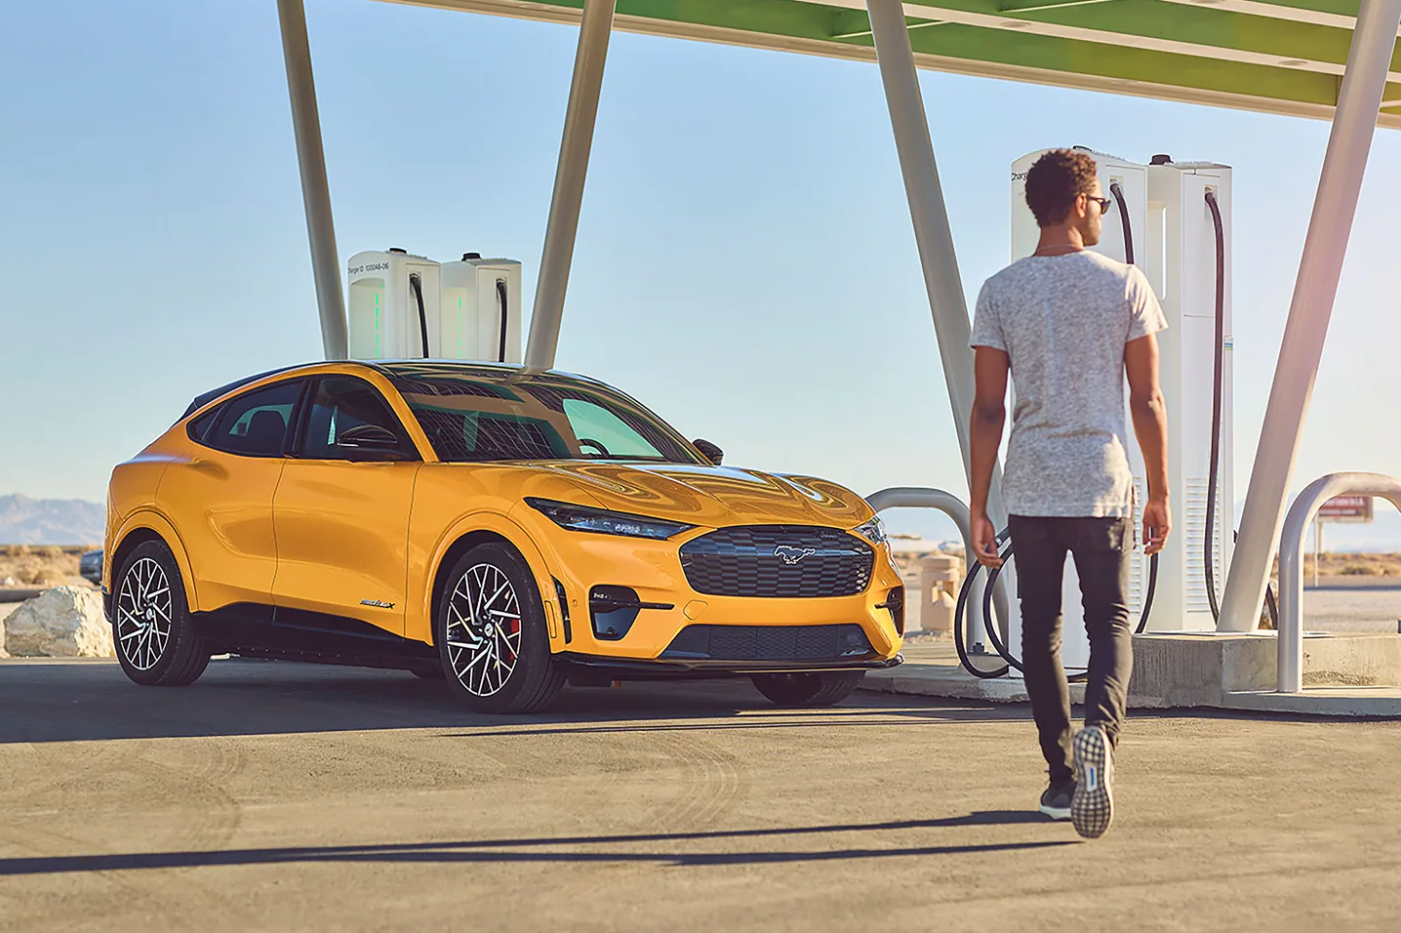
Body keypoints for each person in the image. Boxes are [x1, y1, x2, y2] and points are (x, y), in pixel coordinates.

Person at [967, 148, 1170, 840]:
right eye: (1102, 205)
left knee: (1040, 629)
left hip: (1030, 482)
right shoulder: (1124, 284)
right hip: (1102, 479)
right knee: (1110, 618)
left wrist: (975, 505)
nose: (1103, 216)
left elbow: (988, 408)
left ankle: (1060, 777)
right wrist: (1160, 491)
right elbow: (1145, 397)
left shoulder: (1000, 289)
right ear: (1081, 203)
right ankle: (1100, 745)